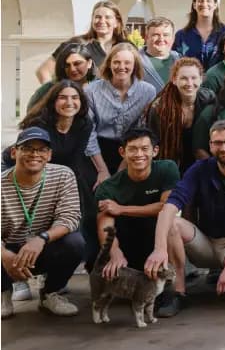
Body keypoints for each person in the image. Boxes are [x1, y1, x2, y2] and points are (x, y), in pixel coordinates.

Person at [146, 120, 225, 302]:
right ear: (210, 146)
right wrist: (159, 248)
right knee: (172, 221)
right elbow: (171, 205)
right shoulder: (199, 169)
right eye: (218, 143)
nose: (224, 148)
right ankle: (177, 292)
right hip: (205, 241)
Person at [94, 128, 184, 318]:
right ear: (123, 152)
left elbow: (167, 206)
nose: (139, 154)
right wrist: (115, 253)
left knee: (173, 224)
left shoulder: (167, 169)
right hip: (128, 241)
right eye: (133, 149)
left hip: (156, 239)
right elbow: (105, 221)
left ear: (155, 151)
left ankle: (174, 291)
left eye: (144, 148)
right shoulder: (108, 187)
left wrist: (123, 209)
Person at [15, 81, 108, 260]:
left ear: (81, 101)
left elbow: (75, 159)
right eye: (63, 97)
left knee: (87, 200)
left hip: (66, 171)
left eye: (75, 98)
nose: (69, 102)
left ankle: (88, 257)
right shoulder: (39, 124)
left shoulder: (84, 124)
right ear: (53, 101)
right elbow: (34, 159)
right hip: (33, 170)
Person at [1, 127, 85, 319]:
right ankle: (2, 293)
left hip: (43, 246)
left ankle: (50, 294)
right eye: (28, 148)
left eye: (41, 150)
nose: (35, 154)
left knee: (75, 243)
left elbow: (70, 217)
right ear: (14, 152)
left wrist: (41, 239)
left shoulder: (64, 175)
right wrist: (4, 255)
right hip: (9, 249)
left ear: (49, 155)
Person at [87, 42, 158, 172]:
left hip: (134, 150)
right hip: (98, 151)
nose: (122, 67)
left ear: (135, 65)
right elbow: (88, 133)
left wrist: (125, 165)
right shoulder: (91, 90)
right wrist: (102, 170)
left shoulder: (148, 91)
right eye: (116, 62)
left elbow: (144, 129)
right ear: (109, 63)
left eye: (127, 63)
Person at [146, 57, 214, 171]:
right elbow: (153, 143)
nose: (189, 83)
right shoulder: (160, 108)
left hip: (201, 162)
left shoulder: (209, 100)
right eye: (184, 78)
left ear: (201, 79)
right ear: (174, 79)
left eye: (194, 78)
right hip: (170, 163)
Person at [36, 0, 127, 84]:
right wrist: (56, 95)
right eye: (97, 17)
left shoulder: (126, 47)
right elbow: (43, 71)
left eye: (108, 17)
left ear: (116, 22)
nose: (102, 21)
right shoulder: (77, 43)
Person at [27, 42, 94, 111]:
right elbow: (32, 117)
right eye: (67, 65)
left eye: (77, 63)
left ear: (89, 63)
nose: (72, 69)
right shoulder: (47, 90)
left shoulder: (99, 88)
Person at [174, 0, 225, 68]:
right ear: (194, 5)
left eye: (208, 1)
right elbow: (175, 63)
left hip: (218, 80)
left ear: (215, 5)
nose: (204, 4)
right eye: (200, 1)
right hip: (190, 80)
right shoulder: (181, 35)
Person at [137, 17, 181, 92]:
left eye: (166, 35)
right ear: (146, 37)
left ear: (173, 38)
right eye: (155, 35)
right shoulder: (135, 62)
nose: (161, 39)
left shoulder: (181, 61)